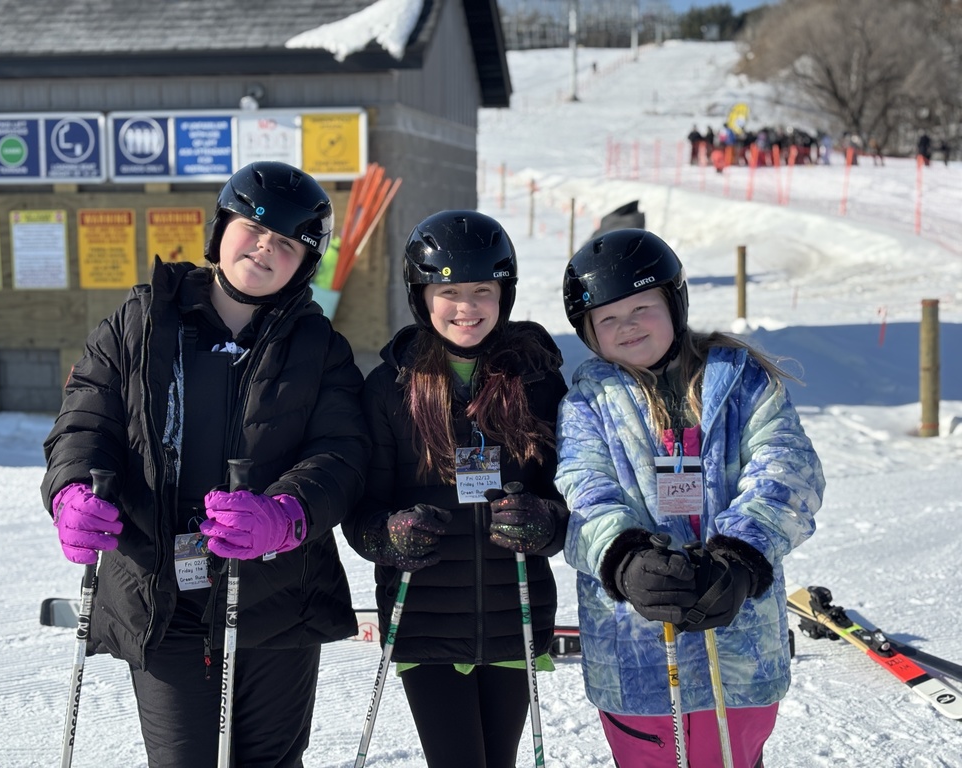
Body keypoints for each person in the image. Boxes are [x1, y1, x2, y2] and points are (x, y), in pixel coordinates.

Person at [41, 161, 370, 768]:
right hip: (159, 592)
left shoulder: (320, 349)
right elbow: (86, 424)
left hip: (276, 594)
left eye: (289, 242)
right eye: (254, 226)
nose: (266, 247)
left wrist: (286, 514)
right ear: (221, 229)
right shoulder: (136, 325)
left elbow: (343, 455)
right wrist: (74, 493)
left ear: (306, 263)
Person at [555, 229, 824, 768]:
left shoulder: (741, 379)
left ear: (674, 303)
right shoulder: (587, 401)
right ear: (588, 333)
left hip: (739, 645)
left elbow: (787, 469)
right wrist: (623, 556)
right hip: (637, 652)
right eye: (607, 318)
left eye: (641, 307)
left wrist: (741, 555)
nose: (627, 325)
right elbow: (583, 487)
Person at [342, 210, 569, 768]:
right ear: (422, 295)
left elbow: (572, 494)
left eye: (481, 290)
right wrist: (389, 537)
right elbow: (362, 511)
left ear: (504, 294)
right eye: (448, 290)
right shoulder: (391, 388)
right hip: (424, 619)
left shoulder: (536, 382)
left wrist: (547, 521)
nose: (466, 307)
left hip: (513, 610)